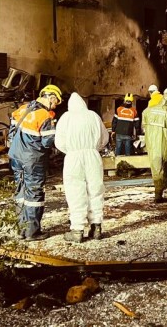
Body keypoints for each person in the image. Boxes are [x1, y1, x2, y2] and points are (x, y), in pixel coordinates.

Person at [9, 84, 63, 241]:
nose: (55, 105)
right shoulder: (44, 116)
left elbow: (12, 130)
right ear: (51, 97)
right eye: (56, 102)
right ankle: (32, 232)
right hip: (32, 159)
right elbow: (47, 142)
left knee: (20, 191)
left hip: (16, 157)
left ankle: (20, 230)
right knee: (34, 193)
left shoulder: (22, 109)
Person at [54, 93, 109, 243]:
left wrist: (71, 150)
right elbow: (104, 138)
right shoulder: (93, 116)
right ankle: (96, 227)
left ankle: (77, 230)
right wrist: (93, 148)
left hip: (73, 157)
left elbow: (59, 141)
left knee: (75, 191)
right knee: (95, 189)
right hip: (93, 155)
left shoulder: (66, 117)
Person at [142, 91, 167, 203]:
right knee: (164, 164)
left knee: (155, 165)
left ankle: (158, 189)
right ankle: (159, 193)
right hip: (164, 143)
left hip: (151, 143)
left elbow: (143, 126)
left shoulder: (147, 111)